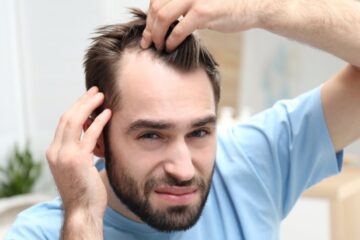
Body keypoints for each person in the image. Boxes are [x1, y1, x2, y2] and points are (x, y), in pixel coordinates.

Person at [6, 0, 360, 239]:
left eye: (199, 131)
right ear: (97, 137)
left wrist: (260, 9)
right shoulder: (39, 233)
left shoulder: (252, 162)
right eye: (151, 136)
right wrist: (83, 216)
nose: (184, 168)